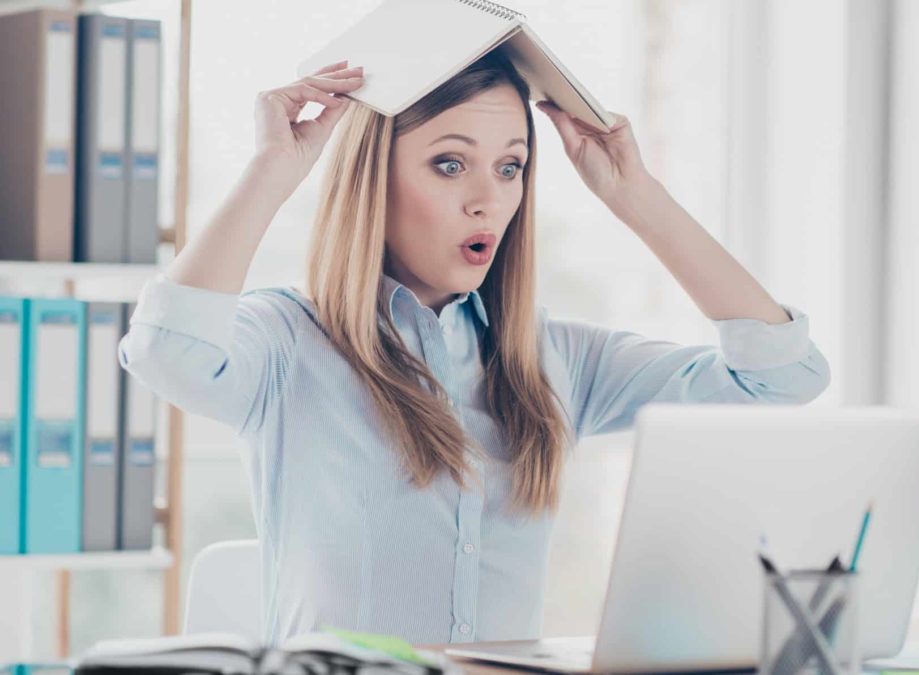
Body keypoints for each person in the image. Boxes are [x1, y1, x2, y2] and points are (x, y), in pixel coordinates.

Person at [118, 51, 830, 645]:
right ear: (375, 180)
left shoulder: (554, 359)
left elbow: (781, 376)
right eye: (451, 165)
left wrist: (636, 197)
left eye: (511, 167)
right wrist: (273, 168)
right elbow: (166, 352)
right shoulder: (287, 343)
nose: (488, 199)